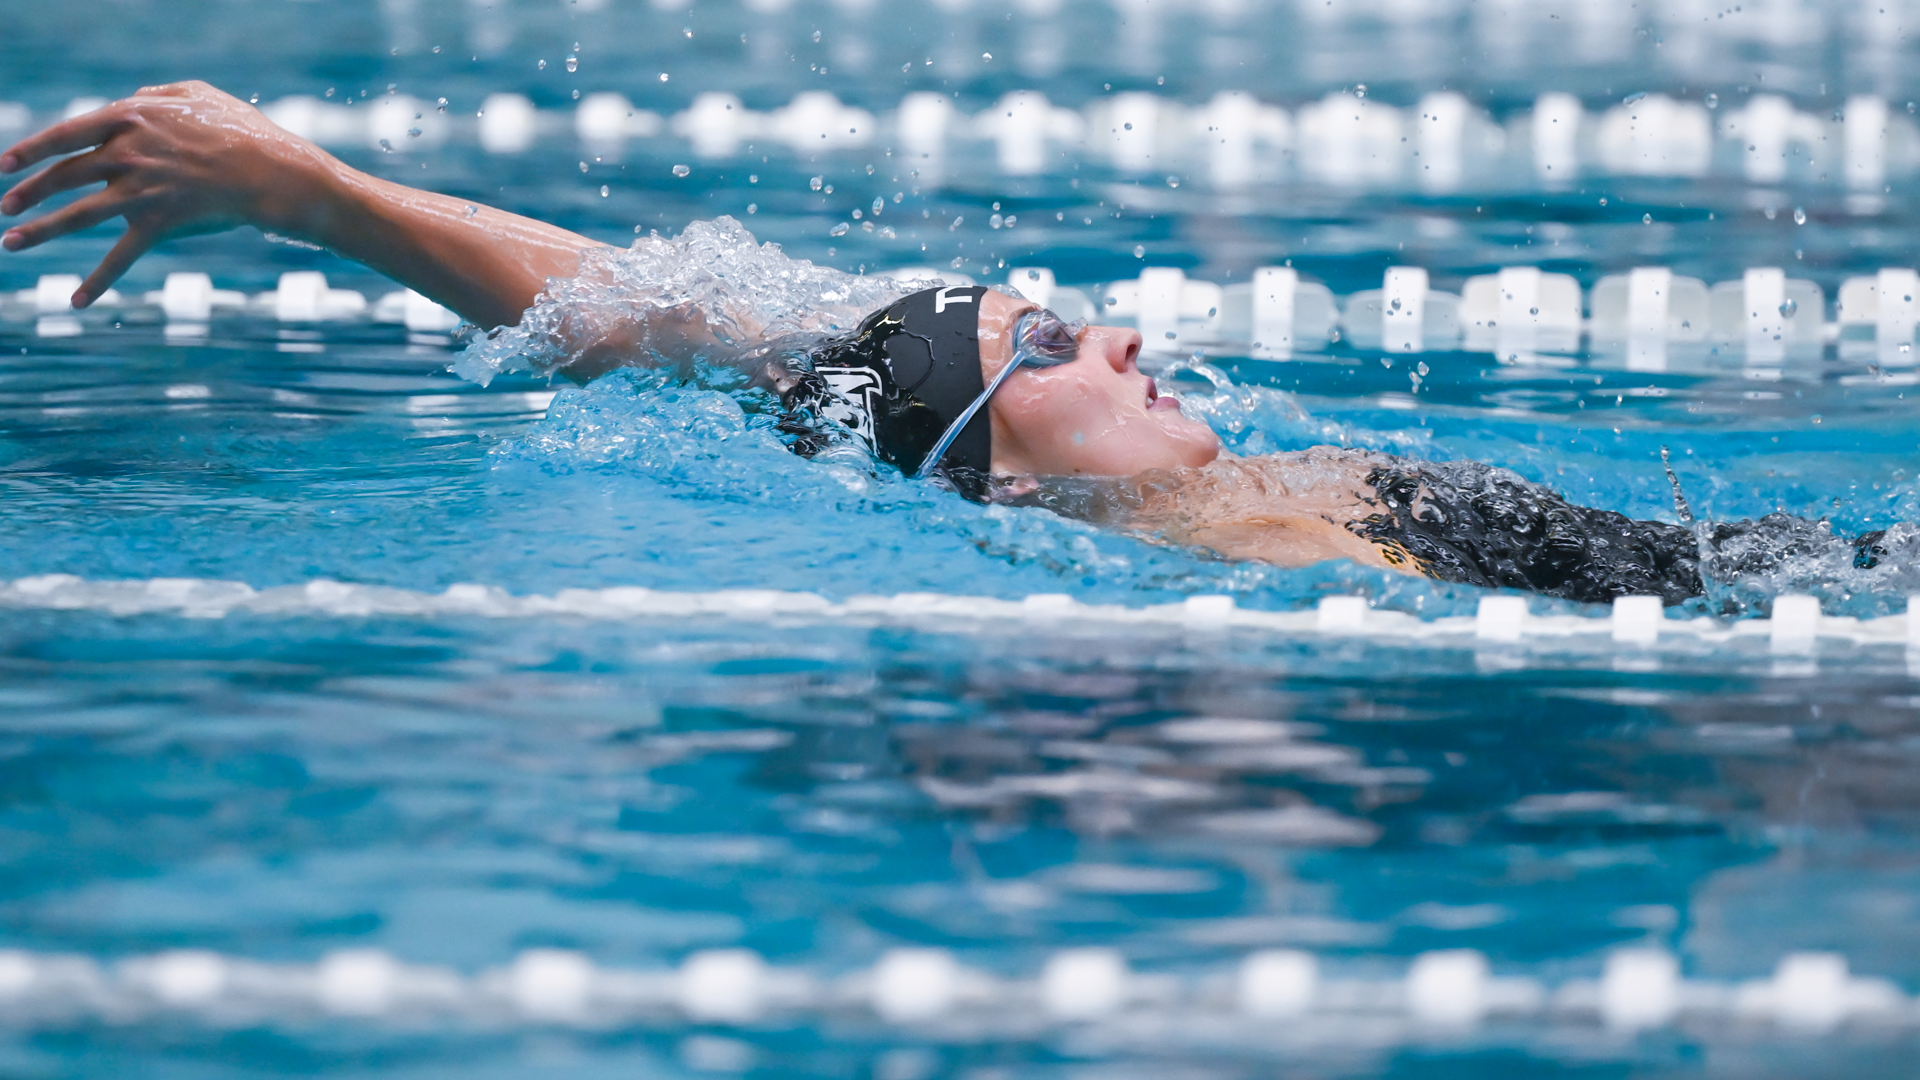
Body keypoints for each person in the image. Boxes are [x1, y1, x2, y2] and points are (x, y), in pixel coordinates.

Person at [0, 82, 1894, 606]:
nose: (1125, 334)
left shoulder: (1126, 495)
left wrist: (317, 192)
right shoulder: (1253, 554)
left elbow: (661, 311)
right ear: (992, 463)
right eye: (1050, 338)